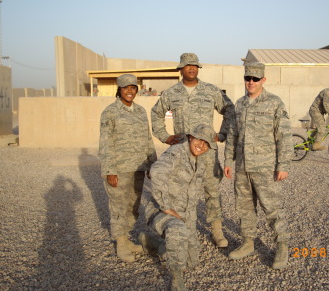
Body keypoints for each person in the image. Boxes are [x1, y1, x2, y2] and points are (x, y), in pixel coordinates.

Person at [151, 52, 235, 248]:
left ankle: (217, 230)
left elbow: (229, 110)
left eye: (194, 66)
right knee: (179, 192)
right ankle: (181, 230)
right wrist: (165, 136)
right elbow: (156, 114)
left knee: (212, 191)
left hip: (207, 152)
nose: (191, 68)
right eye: (187, 65)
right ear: (181, 69)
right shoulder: (171, 93)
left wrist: (221, 135)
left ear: (198, 68)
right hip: (182, 153)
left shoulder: (210, 91)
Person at [224, 62, 292, 270]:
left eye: (255, 78)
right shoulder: (240, 104)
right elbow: (232, 134)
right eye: (247, 78)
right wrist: (228, 160)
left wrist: (283, 164)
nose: (250, 82)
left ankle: (282, 245)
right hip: (243, 167)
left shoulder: (274, 103)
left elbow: (284, 135)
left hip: (265, 167)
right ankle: (248, 242)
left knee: (272, 208)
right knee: (244, 208)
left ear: (263, 80)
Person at [140, 124, 217, 291]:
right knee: (177, 230)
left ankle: (153, 244)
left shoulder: (201, 160)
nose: (201, 145)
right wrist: (166, 206)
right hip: (162, 211)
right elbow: (157, 172)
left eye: (206, 143)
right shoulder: (176, 152)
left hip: (186, 215)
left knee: (191, 261)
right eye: (198, 140)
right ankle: (176, 280)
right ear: (190, 137)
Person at [99, 74, 157, 262]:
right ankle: (121, 242)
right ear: (119, 90)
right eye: (126, 88)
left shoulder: (140, 111)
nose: (130, 91)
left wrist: (151, 163)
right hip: (119, 168)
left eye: (133, 87)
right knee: (118, 206)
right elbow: (105, 143)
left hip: (138, 167)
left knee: (133, 205)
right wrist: (110, 170)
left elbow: (148, 139)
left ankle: (126, 237)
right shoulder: (110, 112)